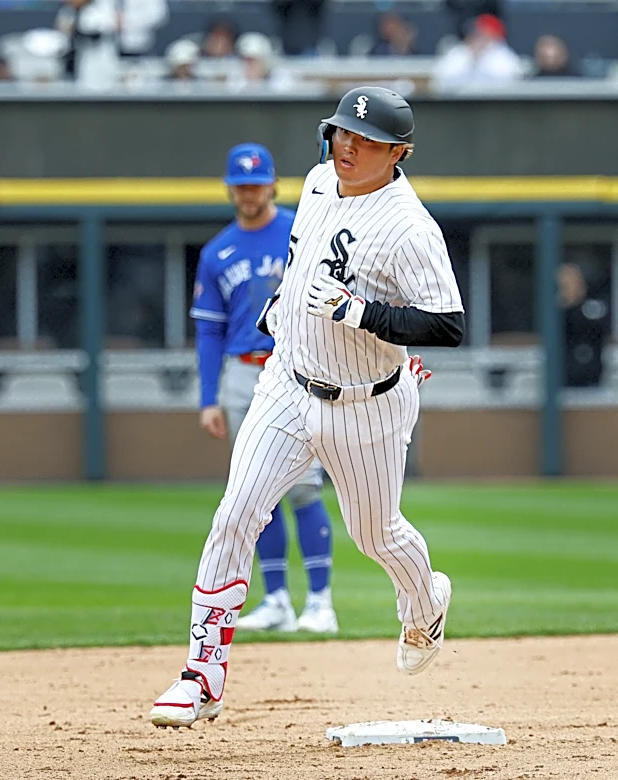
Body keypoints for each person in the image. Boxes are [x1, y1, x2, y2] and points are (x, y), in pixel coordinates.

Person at [150, 86, 463, 729]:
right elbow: (301, 266)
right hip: (287, 385)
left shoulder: (408, 226)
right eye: (344, 132)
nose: (349, 146)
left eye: (368, 140)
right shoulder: (320, 182)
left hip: (366, 405)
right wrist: (281, 311)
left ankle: (425, 605)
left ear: (399, 153)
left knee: (376, 535)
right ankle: (200, 675)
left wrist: (361, 314)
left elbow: (448, 325)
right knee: (236, 513)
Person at [191, 142, 339, 635]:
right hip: (241, 372)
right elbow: (209, 329)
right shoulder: (218, 252)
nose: (249, 193)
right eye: (241, 185)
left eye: (257, 184)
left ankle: (321, 601)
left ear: (272, 184)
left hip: (297, 366)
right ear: (231, 189)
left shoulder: (302, 227)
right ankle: (276, 599)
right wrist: (208, 396)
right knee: (257, 493)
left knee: (302, 487)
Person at [432, 14, 523, 90]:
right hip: (458, 105)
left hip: (495, 104)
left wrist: (481, 59)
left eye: (486, 33)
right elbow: (440, 77)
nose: (480, 37)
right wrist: (471, 58)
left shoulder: (502, 53)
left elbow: (511, 78)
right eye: (478, 33)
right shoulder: (459, 52)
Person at [557, 263, 610, 388]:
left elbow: (596, 326)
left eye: (572, 281)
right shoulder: (555, 312)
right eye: (564, 282)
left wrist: (573, 303)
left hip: (591, 379)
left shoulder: (593, 306)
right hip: (562, 380)